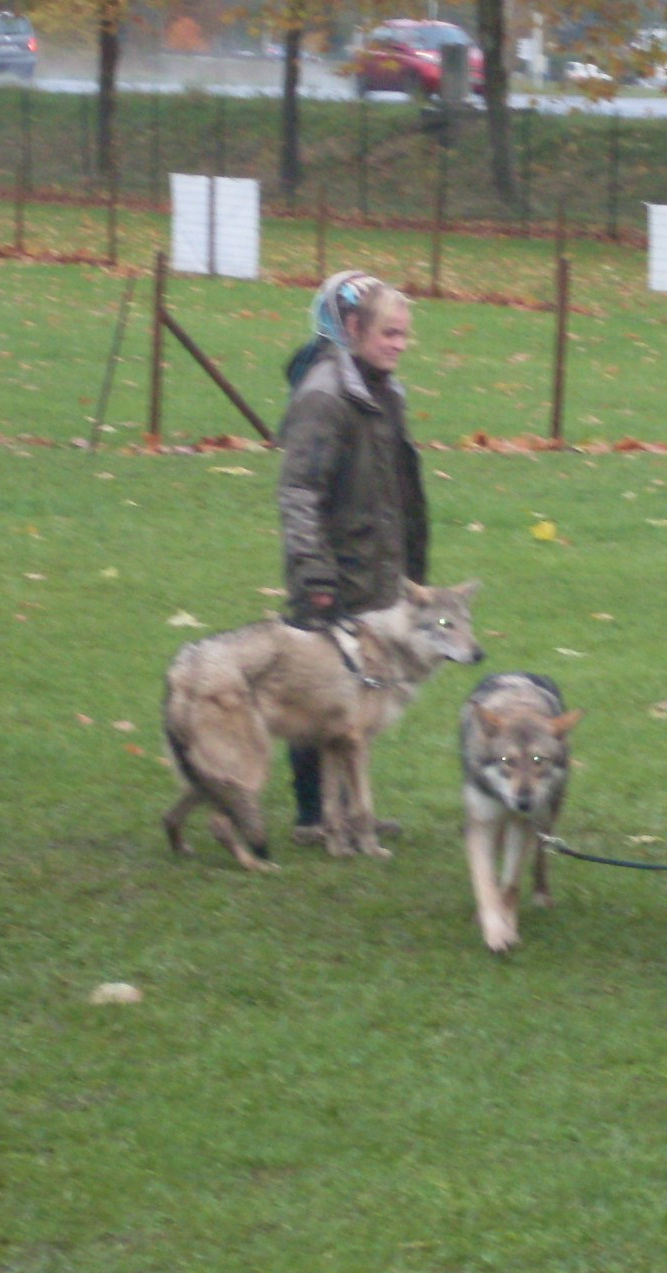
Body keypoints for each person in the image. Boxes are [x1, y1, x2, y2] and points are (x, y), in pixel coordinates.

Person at [277, 272, 427, 845]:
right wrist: (316, 576)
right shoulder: (324, 396)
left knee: (359, 695)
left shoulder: (383, 392)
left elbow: (394, 489)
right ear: (352, 328)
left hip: (377, 569)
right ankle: (313, 815)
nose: (399, 344)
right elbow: (299, 494)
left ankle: (351, 810)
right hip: (332, 573)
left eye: (405, 335)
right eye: (389, 333)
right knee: (316, 690)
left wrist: (407, 570)